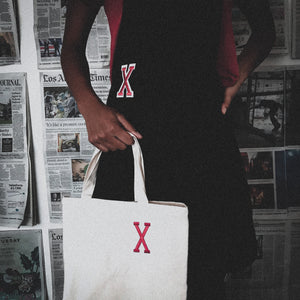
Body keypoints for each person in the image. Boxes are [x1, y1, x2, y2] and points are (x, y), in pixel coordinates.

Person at [61, 0, 275, 299]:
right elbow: (71, 47)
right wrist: (89, 107)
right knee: (126, 268)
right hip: (131, 138)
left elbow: (265, 32)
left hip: (203, 139)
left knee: (204, 269)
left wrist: (234, 78)